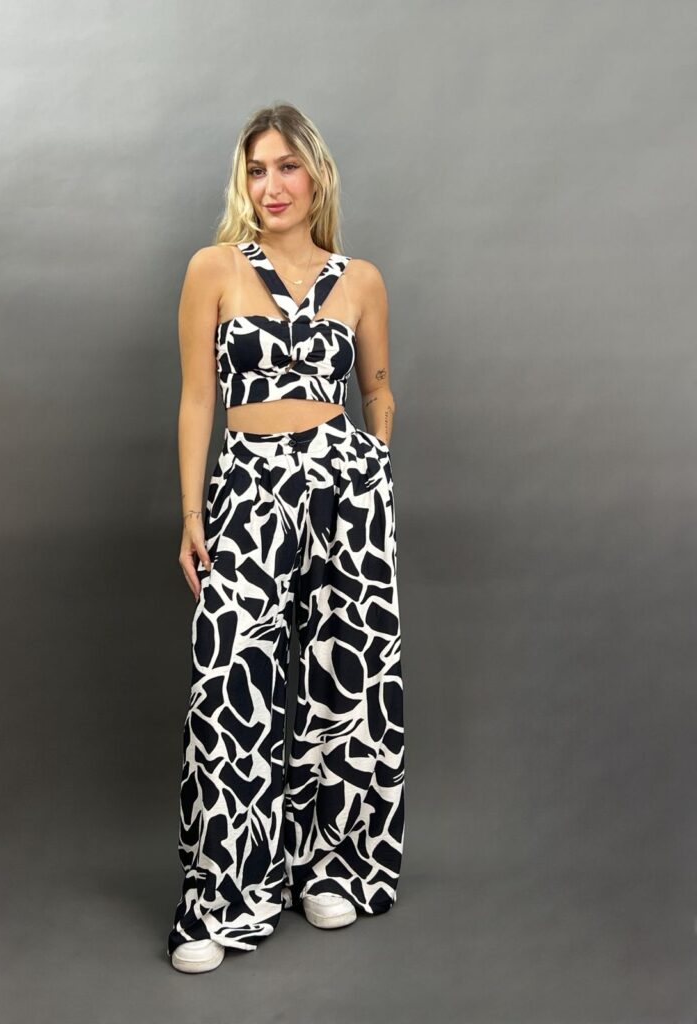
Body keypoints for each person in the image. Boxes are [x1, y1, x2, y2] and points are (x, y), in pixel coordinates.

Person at [166, 102, 405, 974]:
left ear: (316, 175)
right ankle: (224, 895)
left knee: (345, 676)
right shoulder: (215, 268)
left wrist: (372, 462)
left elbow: (377, 389)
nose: (271, 186)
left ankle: (333, 865)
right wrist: (193, 515)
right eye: (257, 170)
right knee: (233, 685)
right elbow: (199, 397)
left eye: (287, 167)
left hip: (345, 493)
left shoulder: (361, 280)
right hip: (248, 488)